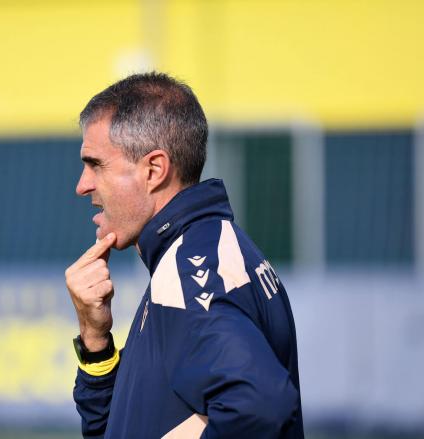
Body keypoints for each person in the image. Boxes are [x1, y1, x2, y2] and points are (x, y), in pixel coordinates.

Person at [65, 72, 303, 438]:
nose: (83, 185)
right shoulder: (193, 254)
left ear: (154, 170)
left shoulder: (194, 270)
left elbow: (261, 406)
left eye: (95, 164)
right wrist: (96, 341)